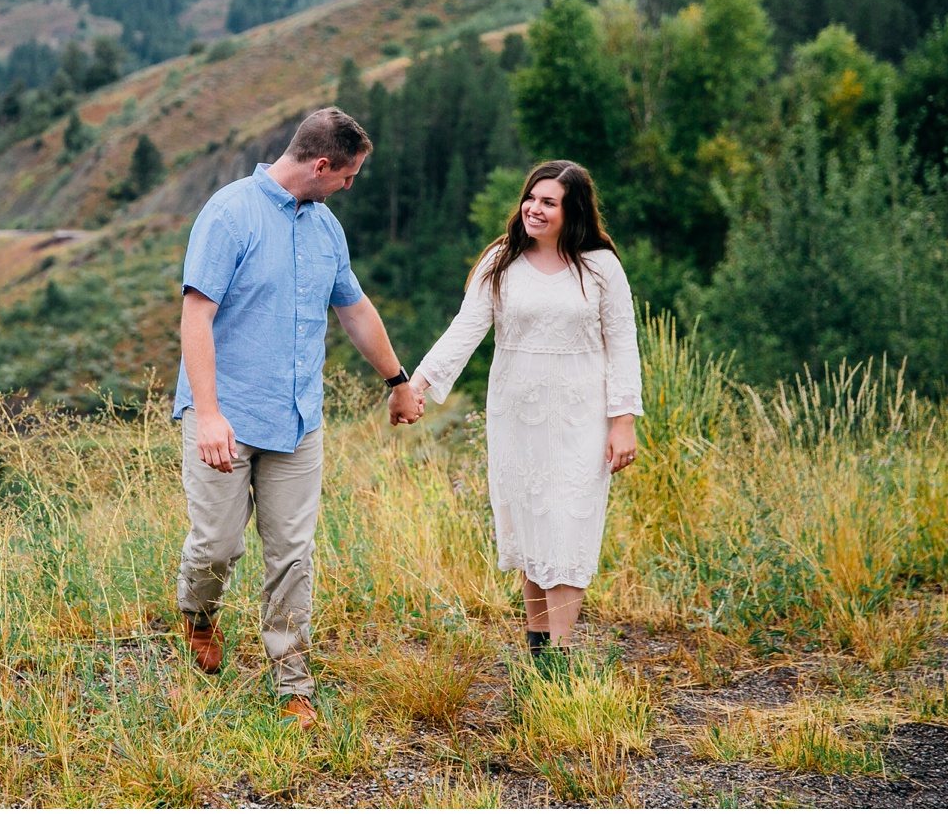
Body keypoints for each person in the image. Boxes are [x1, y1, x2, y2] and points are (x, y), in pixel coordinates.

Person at [174, 106, 423, 729]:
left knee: (292, 554)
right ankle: (198, 614)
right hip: (225, 417)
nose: (350, 186)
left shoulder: (326, 230)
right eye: (348, 175)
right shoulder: (230, 214)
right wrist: (207, 415)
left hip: (297, 423)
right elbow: (195, 317)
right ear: (321, 165)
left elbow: (356, 310)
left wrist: (397, 381)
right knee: (217, 546)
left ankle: (293, 684)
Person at [409, 160, 642, 656]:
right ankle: (538, 650)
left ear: (572, 210)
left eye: (549, 202)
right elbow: (465, 329)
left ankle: (559, 660)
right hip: (516, 415)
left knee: (567, 526)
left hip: (581, 416)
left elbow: (624, 344)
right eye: (531, 198)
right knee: (532, 525)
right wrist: (419, 384)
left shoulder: (601, 266)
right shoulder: (501, 260)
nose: (534, 209)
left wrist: (624, 421)